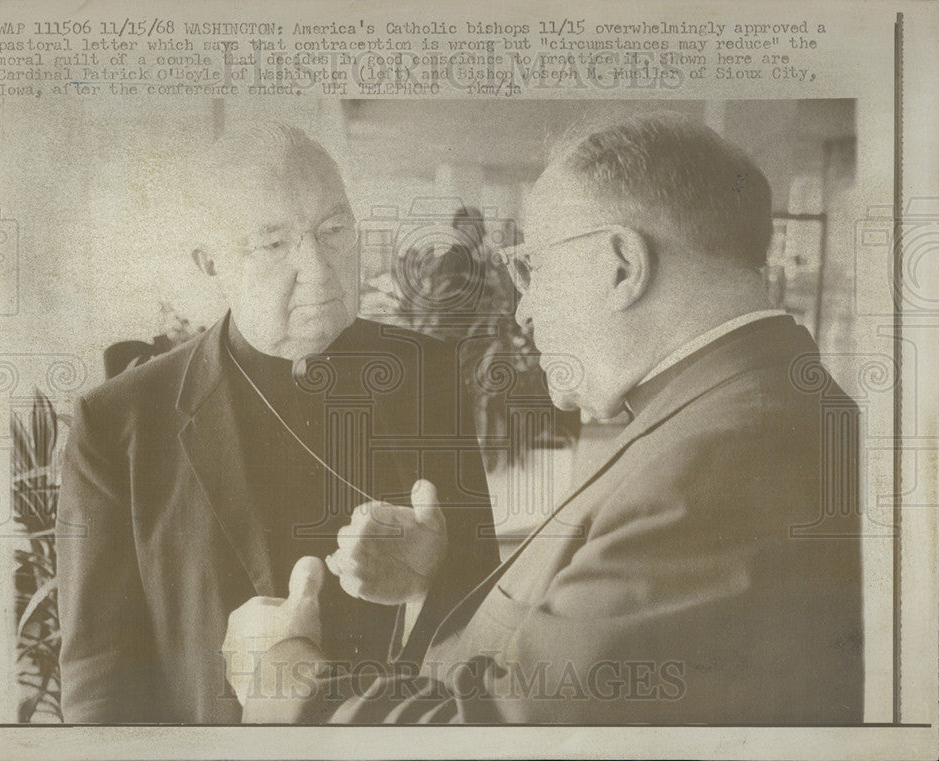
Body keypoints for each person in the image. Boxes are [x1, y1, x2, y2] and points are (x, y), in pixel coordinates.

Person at [227, 114, 863, 724]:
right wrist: (428, 583)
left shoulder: (726, 460)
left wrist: (281, 672)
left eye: (534, 268)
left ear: (622, 266)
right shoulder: (724, 411)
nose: (523, 311)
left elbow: (509, 734)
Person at [56, 123, 499, 723]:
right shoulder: (117, 422)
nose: (318, 267)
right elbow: (98, 682)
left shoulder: (428, 373)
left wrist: (433, 569)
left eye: (334, 231)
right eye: (273, 244)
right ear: (211, 264)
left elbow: (489, 613)